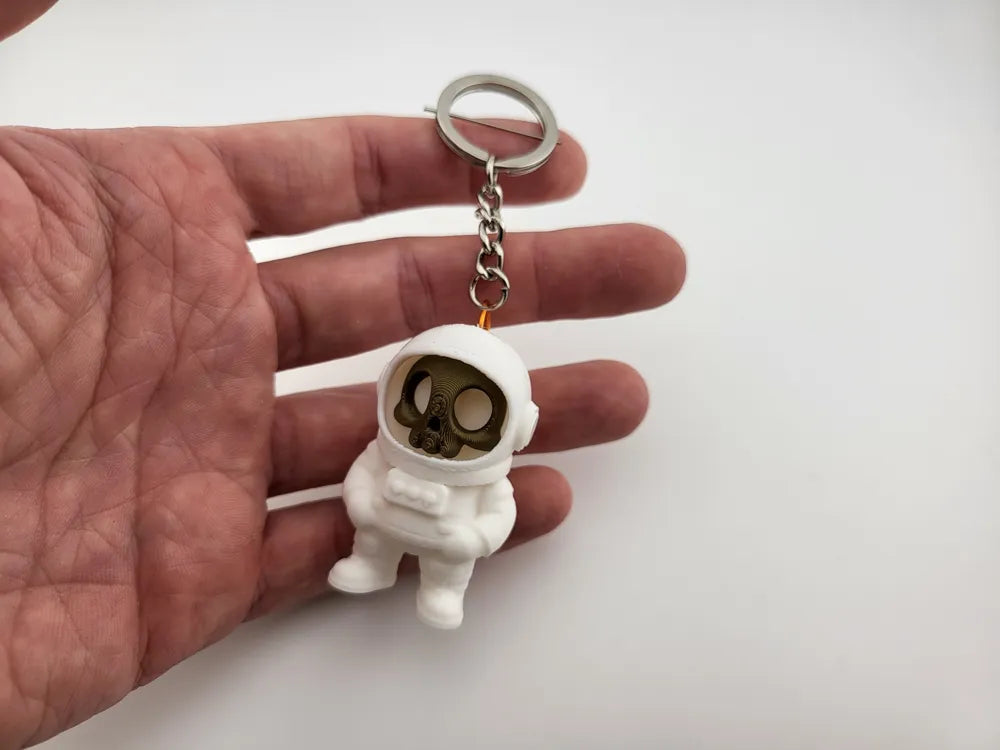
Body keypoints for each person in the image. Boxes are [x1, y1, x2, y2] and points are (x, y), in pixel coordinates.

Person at [0, 3, 685, 746]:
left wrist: (471, 541)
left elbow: (499, 510)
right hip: (382, 526)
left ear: (513, 429)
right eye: (421, 397)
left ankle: (442, 592)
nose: (434, 425)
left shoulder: (483, 478)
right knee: (374, 545)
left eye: (469, 414)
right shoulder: (388, 449)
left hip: (447, 540)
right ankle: (370, 564)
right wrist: (367, 505)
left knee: (444, 572)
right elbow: (365, 475)